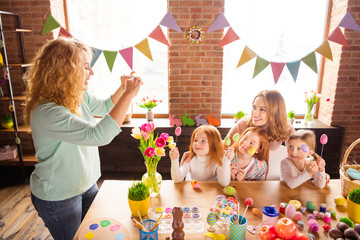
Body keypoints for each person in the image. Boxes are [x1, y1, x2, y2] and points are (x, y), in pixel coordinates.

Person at [23, 37, 142, 240]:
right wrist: (128, 96)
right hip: (58, 196)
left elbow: (105, 107)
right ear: (65, 70)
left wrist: (122, 88)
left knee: (94, 235)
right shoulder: (47, 111)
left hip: (87, 184)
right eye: (86, 67)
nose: (92, 72)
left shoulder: (77, 95)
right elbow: (98, 135)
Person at [226, 90, 294, 151]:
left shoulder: (286, 128)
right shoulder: (244, 123)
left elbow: (296, 155)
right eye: (254, 107)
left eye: (262, 109)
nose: (255, 113)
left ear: (275, 112)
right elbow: (224, 149)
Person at [169, 125, 233, 187]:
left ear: (214, 145)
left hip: (211, 194)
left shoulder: (217, 161)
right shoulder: (190, 159)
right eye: (195, 140)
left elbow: (224, 183)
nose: (197, 144)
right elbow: (177, 179)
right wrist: (174, 160)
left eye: (203, 141)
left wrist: (226, 161)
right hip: (192, 193)